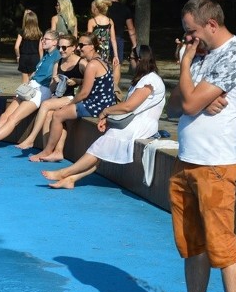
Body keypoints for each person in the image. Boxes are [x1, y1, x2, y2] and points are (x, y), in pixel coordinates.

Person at [154, 0, 236, 292]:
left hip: (215, 165)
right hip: (187, 160)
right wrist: (191, 93)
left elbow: (191, 103)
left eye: (191, 32)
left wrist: (187, 75)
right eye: (186, 35)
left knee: (223, 247)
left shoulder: (234, 56)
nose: (188, 40)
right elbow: (175, 104)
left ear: (211, 24)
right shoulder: (204, 56)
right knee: (192, 244)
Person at [42, 44, 166, 189]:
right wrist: (107, 119)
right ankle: (72, 179)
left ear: (139, 60)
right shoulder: (143, 79)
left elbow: (129, 106)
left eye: (130, 58)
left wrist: (106, 111)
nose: (129, 61)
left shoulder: (150, 80)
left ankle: (65, 173)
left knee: (102, 145)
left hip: (142, 125)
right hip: (134, 122)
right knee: (102, 149)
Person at [0, 30, 61, 150]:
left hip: (41, 91)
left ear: (55, 42)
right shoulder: (46, 55)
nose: (43, 41)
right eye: (43, 39)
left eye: (46, 39)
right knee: (5, 116)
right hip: (31, 88)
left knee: (13, 119)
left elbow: (57, 75)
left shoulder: (57, 55)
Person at [29, 33, 117, 162]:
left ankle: (48, 151)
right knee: (59, 113)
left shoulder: (91, 65)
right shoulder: (100, 60)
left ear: (92, 46)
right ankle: (57, 152)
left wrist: (69, 105)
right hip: (103, 103)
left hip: (96, 105)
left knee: (58, 115)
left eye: (82, 45)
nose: (79, 48)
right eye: (79, 45)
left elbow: (84, 93)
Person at [15, 34, 84, 150]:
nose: (61, 50)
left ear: (73, 48)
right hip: (60, 96)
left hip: (75, 97)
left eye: (64, 48)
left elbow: (92, 82)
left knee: (46, 105)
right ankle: (47, 150)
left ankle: (31, 139)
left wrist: (78, 80)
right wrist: (55, 80)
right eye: (60, 47)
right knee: (48, 115)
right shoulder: (58, 62)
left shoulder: (82, 63)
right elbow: (52, 88)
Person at [86, 0, 120, 93]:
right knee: (104, 69)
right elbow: (113, 39)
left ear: (96, 9)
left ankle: (93, 89)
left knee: (93, 69)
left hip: (95, 50)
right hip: (106, 50)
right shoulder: (110, 21)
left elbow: (88, 39)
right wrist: (116, 55)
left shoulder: (92, 21)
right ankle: (104, 89)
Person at [107, 0, 138, 71]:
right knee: (117, 63)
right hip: (118, 38)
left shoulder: (104, 9)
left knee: (103, 62)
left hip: (104, 38)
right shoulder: (125, 9)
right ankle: (116, 83)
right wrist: (134, 44)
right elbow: (131, 28)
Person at [14, 9, 43, 84]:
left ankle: (23, 94)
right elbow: (40, 49)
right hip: (35, 57)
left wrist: (18, 56)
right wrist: (41, 60)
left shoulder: (22, 32)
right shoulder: (39, 33)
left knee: (24, 82)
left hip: (24, 57)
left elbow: (16, 47)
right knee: (33, 81)